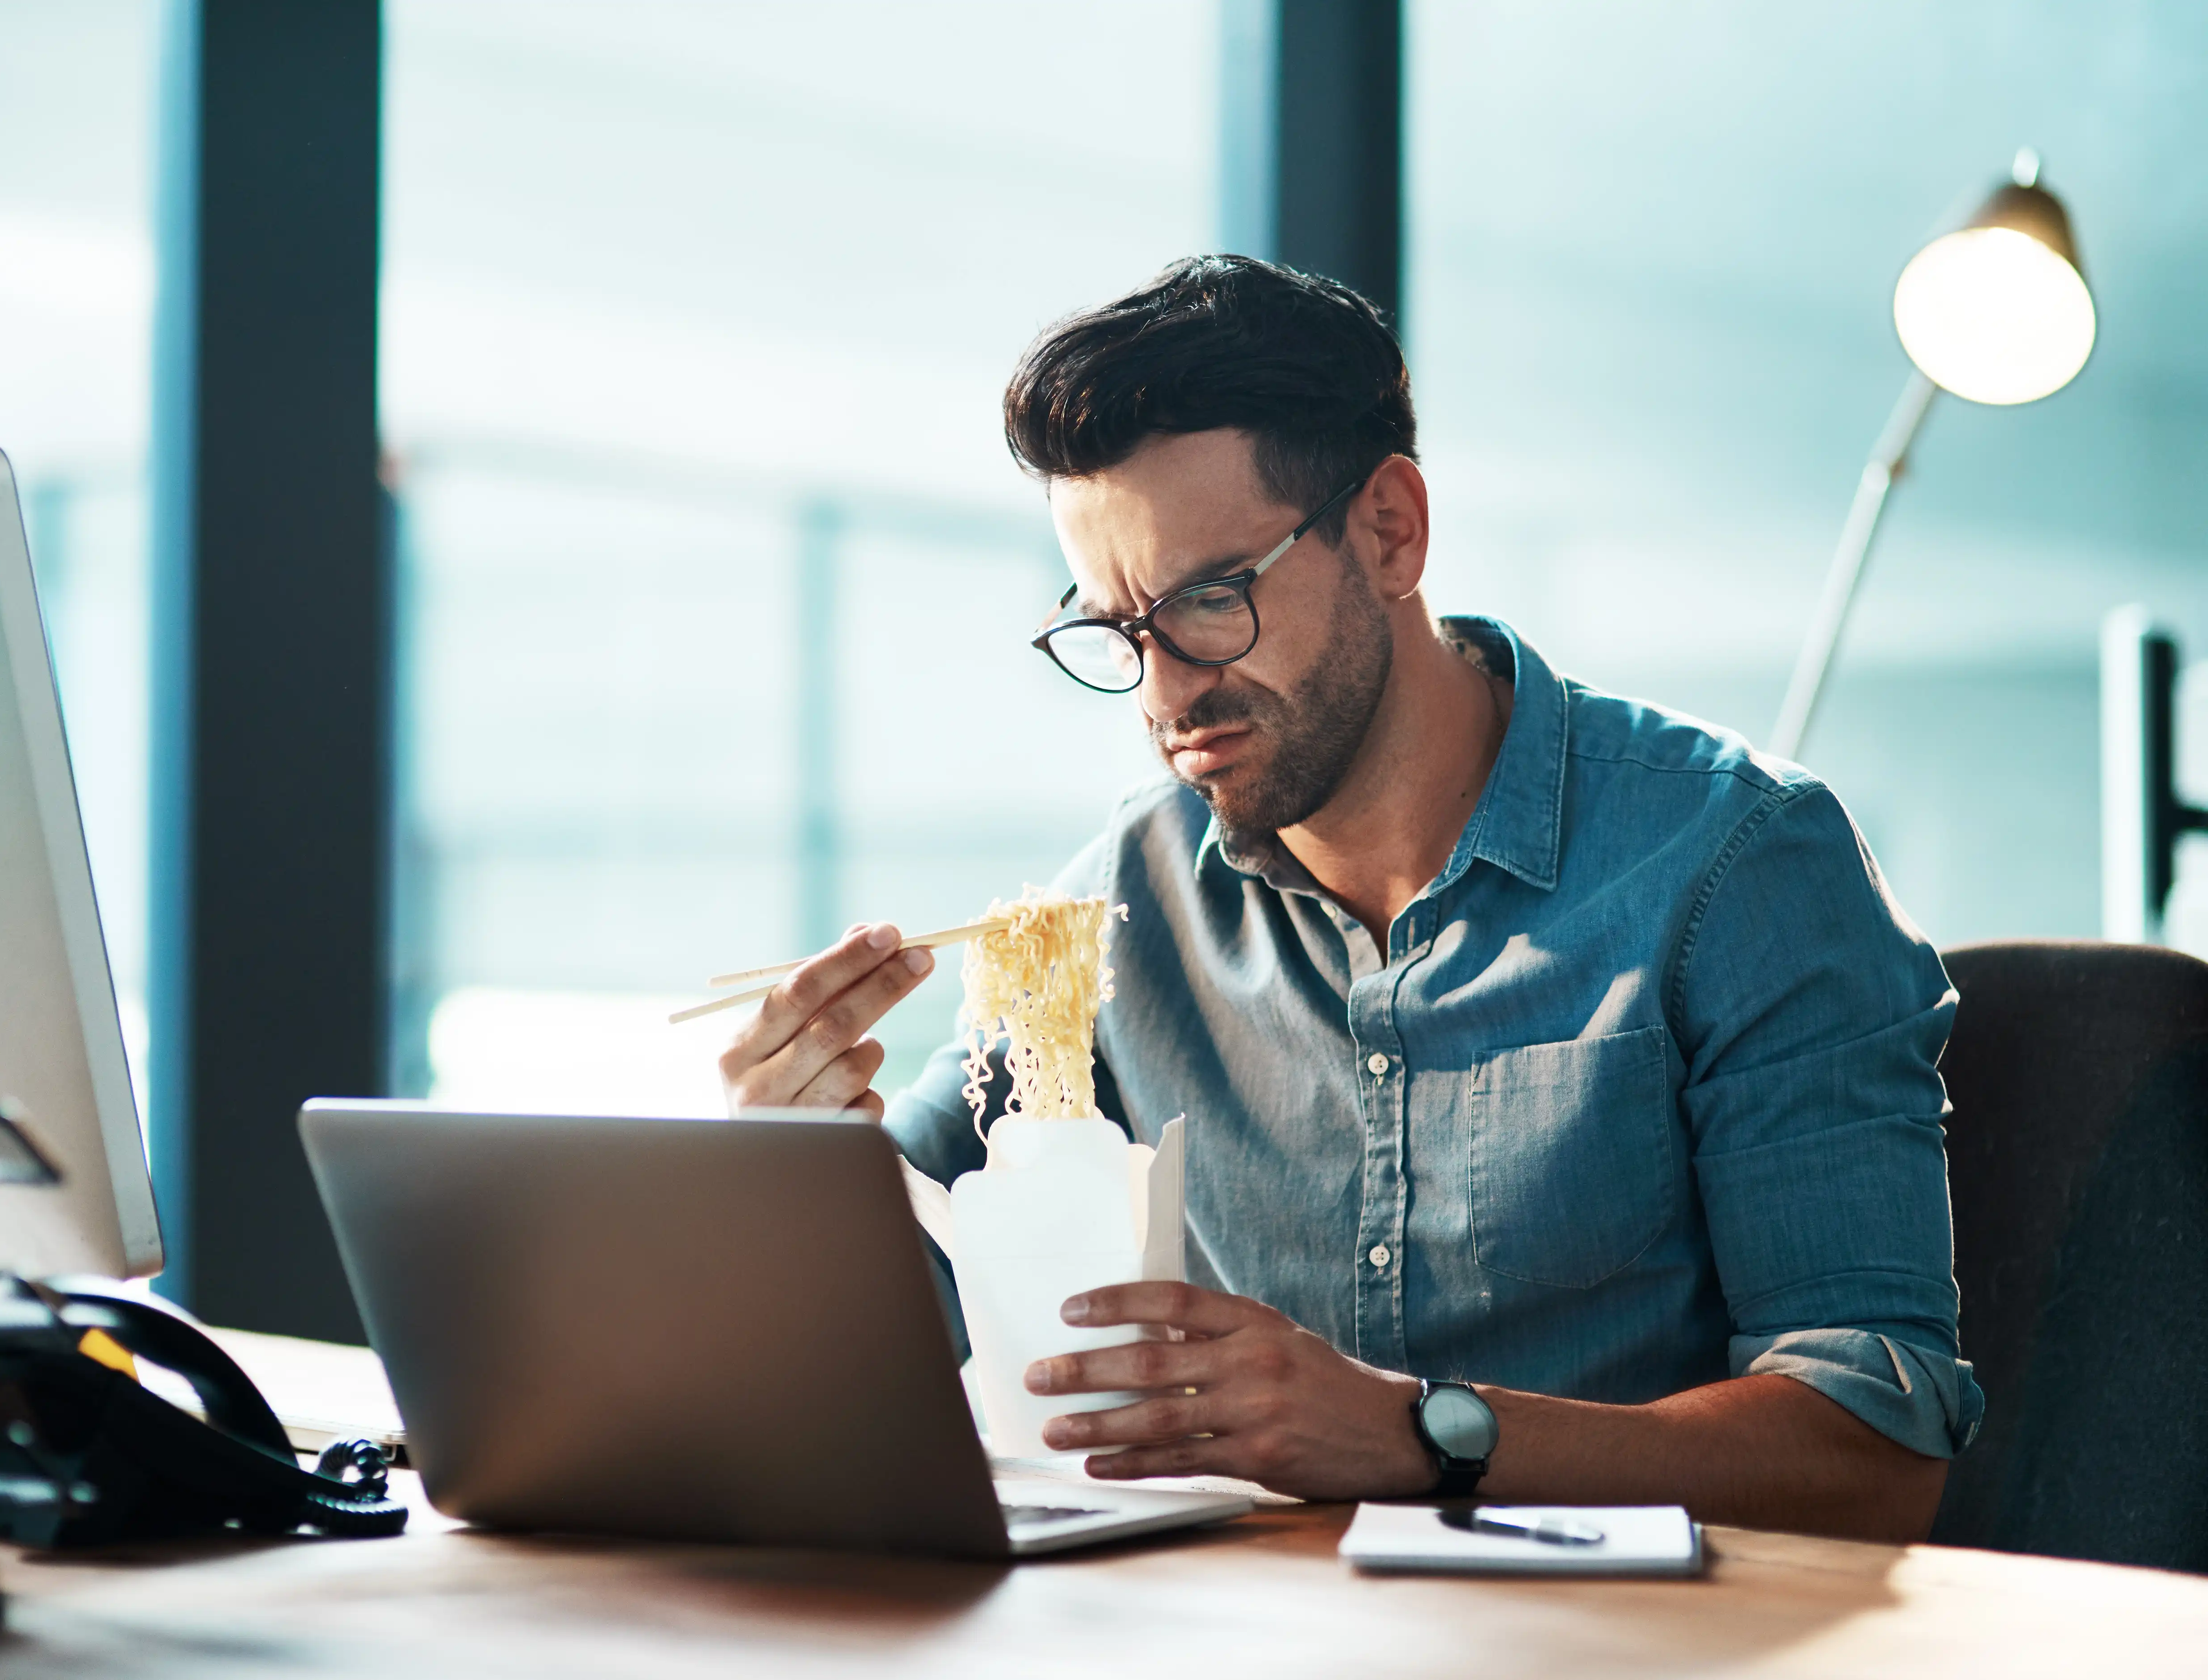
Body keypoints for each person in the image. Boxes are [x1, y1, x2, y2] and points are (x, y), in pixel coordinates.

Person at [718, 255, 1980, 1542]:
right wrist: (787, 1166)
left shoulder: (1739, 866)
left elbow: (1872, 1446)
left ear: (1388, 530)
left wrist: (1408, 1432)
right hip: (1219, 1635)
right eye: (1115, 632)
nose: (1162, 698)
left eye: (1208, 600)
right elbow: (912, 1289)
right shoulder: (1120, 901)